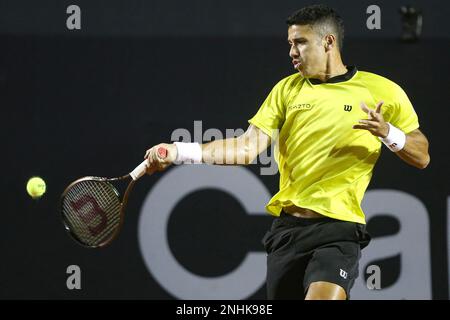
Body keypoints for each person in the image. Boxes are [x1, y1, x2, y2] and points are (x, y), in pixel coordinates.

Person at [143, 4, 430, 300]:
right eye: (290, 44)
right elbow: (245, 148)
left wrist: (389, 133)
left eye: (301, 42)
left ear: (328, 42)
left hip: (339, 230)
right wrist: (178, 150)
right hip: (288, 231)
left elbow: (422, 156)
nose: (292, 52)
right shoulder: (285, 90)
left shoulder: (383, 91)